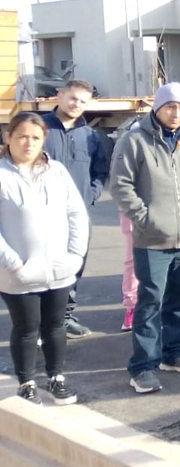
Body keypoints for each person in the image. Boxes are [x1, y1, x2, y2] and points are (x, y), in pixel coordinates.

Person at [109, 82, 180, 394]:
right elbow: (121, 185)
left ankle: (174, 353)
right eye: (170, 107)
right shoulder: (135, 141)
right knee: (151, 302)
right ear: (157, 108)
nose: (176, 113)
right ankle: (143, 367)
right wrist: (145, 218)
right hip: (152, 240)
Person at [0, 112, 88, 405]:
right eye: (22, 136)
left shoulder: (56, 171)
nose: (28, 143)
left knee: (55, 325)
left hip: (59, 268)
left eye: (35, 138)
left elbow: (77, 213)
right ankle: (26, 383)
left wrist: (75, 255)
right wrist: (13, 263)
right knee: (26, 328)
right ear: (8, 137)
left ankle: (56, 377)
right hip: (19, 272)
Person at [41, 78, 108, 338]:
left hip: (77, 215)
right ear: (59, 96)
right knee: (42, 267)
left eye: (82, 101)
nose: (76, 104)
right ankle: (41, 322)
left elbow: (99, 170)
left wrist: (91, 195)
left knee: (73, 265)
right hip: (41, 213)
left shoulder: (90, 136)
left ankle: (65, 318)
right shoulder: (40, 129)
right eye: (72, 98)